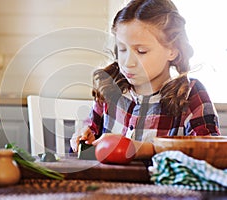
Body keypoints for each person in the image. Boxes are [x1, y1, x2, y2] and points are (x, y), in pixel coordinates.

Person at [70, 0, 220, 158]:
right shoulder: (109, 88)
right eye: (122, 49)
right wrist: (83, 137)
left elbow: (209, 151)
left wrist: (144, 149)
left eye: (141, 51)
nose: (128, 62)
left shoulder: (190, 94)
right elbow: (90, 131)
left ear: (172, 50)